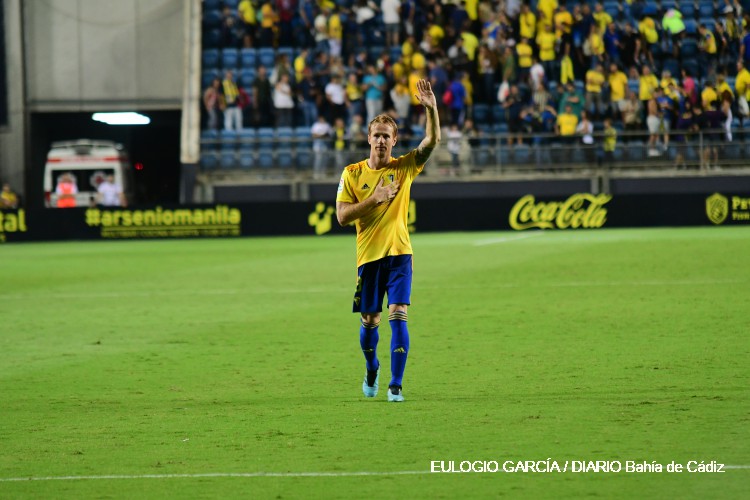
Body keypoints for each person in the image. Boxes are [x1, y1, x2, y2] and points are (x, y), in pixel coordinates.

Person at [335, 79, 440, 403]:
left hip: (400, 254)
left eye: (386, 136)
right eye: (376, 135)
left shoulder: (404, 168)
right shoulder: (352, 174)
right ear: (369, 138)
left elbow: (431, 141)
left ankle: (396, 384)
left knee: (398, 313)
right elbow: (342, 216)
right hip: (369, 257)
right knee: (370, 320)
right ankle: (372, 368)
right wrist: (375, 199)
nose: (381, 140)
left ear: (394, 140)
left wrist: (431, 109)